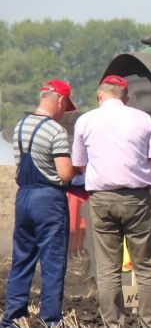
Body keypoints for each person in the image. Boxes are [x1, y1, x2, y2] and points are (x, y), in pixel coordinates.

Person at [71, 75, 151, 328]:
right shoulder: (142, 119)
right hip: (137, 200)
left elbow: (78, 165)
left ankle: (114, 324)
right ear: (126, 97)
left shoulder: (86, 121)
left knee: (108, 269)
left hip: (101, 200)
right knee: (144, 267)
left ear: (100, 96)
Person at [2, 79, 80, 328]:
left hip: (24, 196)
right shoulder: (55, 130)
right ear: (59, 99)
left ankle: (12, 317)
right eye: (65, 106)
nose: (63, 113)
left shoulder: (20, 125)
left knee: (22, 258)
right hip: (48, 199)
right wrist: (81, 166)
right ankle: (51, 320)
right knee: (53, 261)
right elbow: (66, 174)